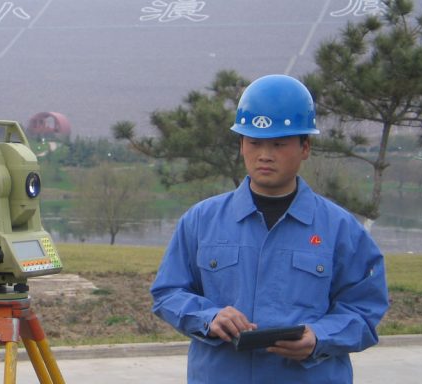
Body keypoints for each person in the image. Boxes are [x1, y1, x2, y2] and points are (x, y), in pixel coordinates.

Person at [150, 74, 389, 383]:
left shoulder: (341, 229)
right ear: (241, 145)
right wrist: (209, 317)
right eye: (255, 142)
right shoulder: (201, 220)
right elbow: (168, 292)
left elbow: (365, 309)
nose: (265, 155)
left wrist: (319, 337)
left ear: (305, 147)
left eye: (279, 143)